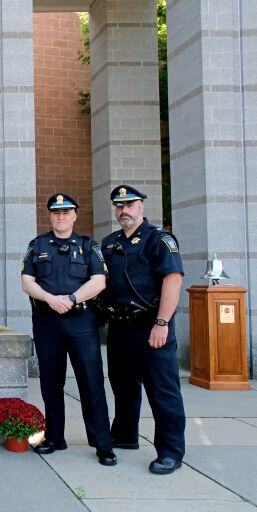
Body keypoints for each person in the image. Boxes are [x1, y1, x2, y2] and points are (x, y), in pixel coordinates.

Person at [21, 193, 116, 466]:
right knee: (51, 382)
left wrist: (72, 299)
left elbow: (99, 281)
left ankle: (103, 444)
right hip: (47, 322)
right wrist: (52, 300)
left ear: (75, 215)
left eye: (66, 212)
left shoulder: (89, 246)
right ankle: (54, 437)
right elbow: (27, 282)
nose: (61, 216)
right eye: (55, 212)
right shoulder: (37, 244)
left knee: (91, 382)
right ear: (50, 216)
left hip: (81, 322)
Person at [101, 184, 186, 475]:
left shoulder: (158, 240)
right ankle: (124, 435)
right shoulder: (110, 243)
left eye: (129, 205)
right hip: (120, 327)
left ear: (141, 207)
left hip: (152, 325)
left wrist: (162, 323)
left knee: (163, 391)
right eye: (119, 206)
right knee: (122, 386)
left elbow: (172, 280)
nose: (123, 210)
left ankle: (171, 452)